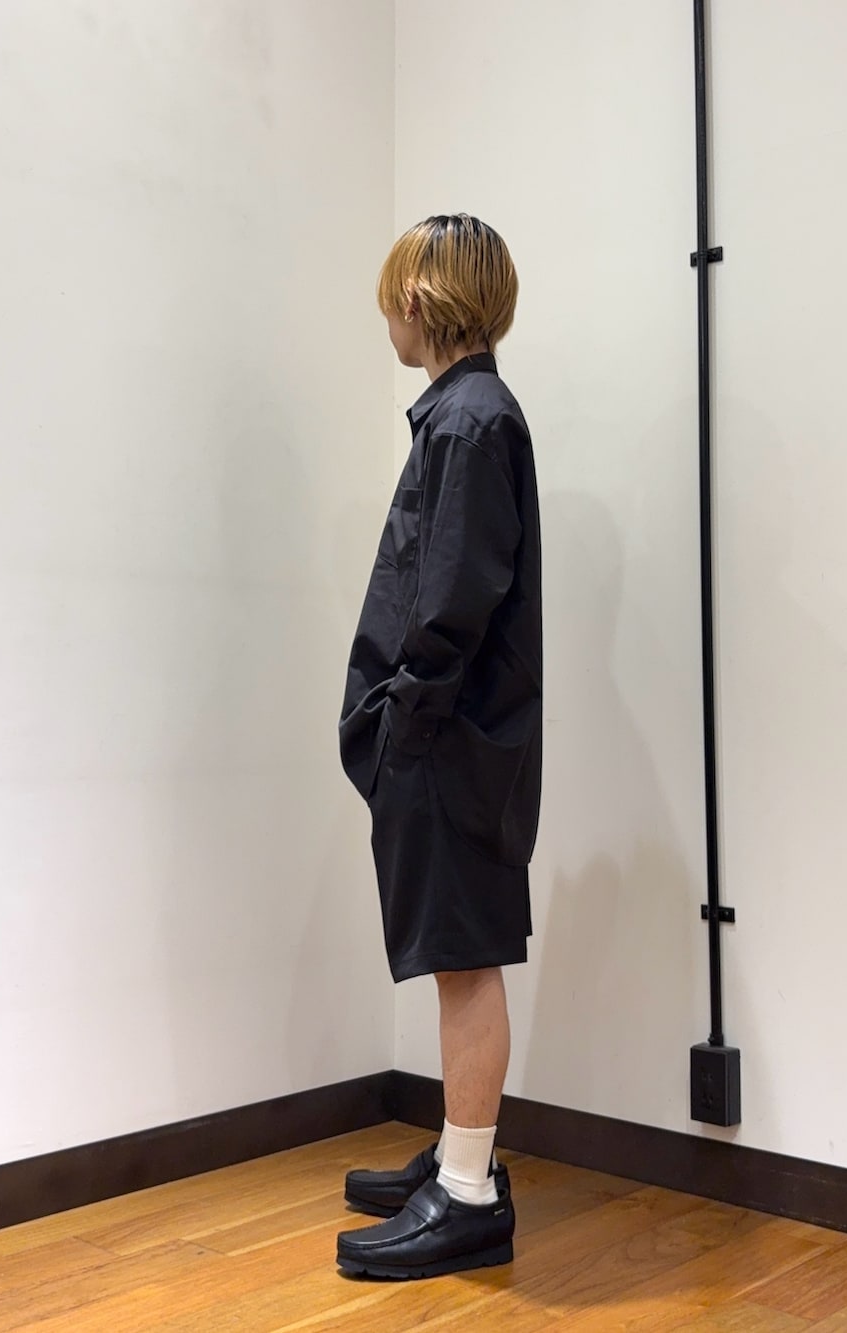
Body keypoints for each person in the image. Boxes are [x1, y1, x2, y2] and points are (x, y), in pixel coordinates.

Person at [336, 214, 543, 1280]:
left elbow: (453, 599)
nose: (386, 317)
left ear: (417, 301)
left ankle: (466, 1195)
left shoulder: (467, 424)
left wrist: (399, 722)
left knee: (463, 959)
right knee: (454, 954)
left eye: (390, 299)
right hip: (447, 742)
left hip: (447, 746)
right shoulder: (466, 416)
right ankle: (464, 1152)